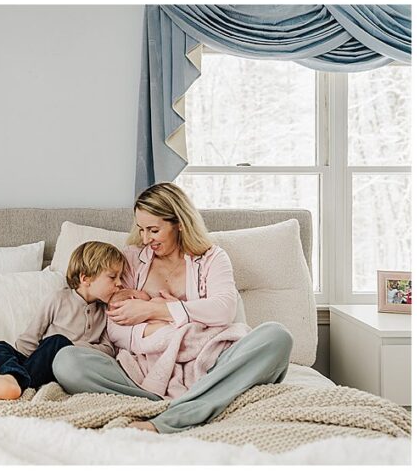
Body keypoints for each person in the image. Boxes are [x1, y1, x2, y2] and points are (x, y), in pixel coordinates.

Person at [52, 182, 293, 434]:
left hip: (208, 361)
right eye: (141, 229)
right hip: (143, 371)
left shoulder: (212, 258)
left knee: (277, 336)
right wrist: (173, 325)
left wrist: (155, 311)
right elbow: (116, 327)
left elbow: (223, 309)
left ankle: (179, 413)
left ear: (178, 222)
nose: (146, 239)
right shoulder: (132, 259)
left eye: (154, 230)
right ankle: (176, 405)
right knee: (67, 361)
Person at [0, 241, 123, 401]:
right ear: (85, 278)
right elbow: (30, 338)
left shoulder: (105, 312)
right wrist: (23, 363)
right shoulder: (58, 299)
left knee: (58, 342)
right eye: (112, 277)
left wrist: (71, 347)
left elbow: (108, 350)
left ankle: (11, 383)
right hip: (36, 361)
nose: (119, 283)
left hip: (61, 368)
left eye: (121, 277)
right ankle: (9, 380)